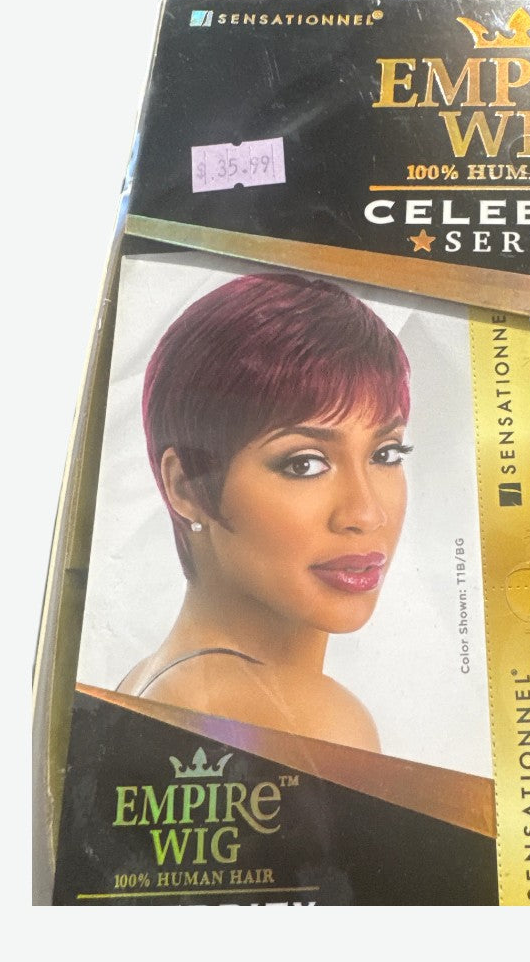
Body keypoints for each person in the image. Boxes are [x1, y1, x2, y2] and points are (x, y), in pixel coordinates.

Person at [117, 272, 412, 752]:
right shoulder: (307, 720)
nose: (366, 513)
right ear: (185, 486)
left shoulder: (144, 682)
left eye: (386, 454)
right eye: (304, 463)